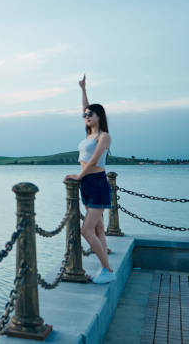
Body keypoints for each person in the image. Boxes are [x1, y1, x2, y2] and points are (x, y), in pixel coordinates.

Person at [64, 75, 115, 284]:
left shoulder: (104, 136)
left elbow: (94, 159)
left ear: (99, 116)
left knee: (86, 230)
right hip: (86, 184)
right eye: (85, 115)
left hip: (97, 183)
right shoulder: (88, 134)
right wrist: (83, 89)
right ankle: (104, 267)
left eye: (90, 114)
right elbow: (85, 107)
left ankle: (108, 270)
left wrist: (79, 175)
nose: (86, 116)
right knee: (98, 228)